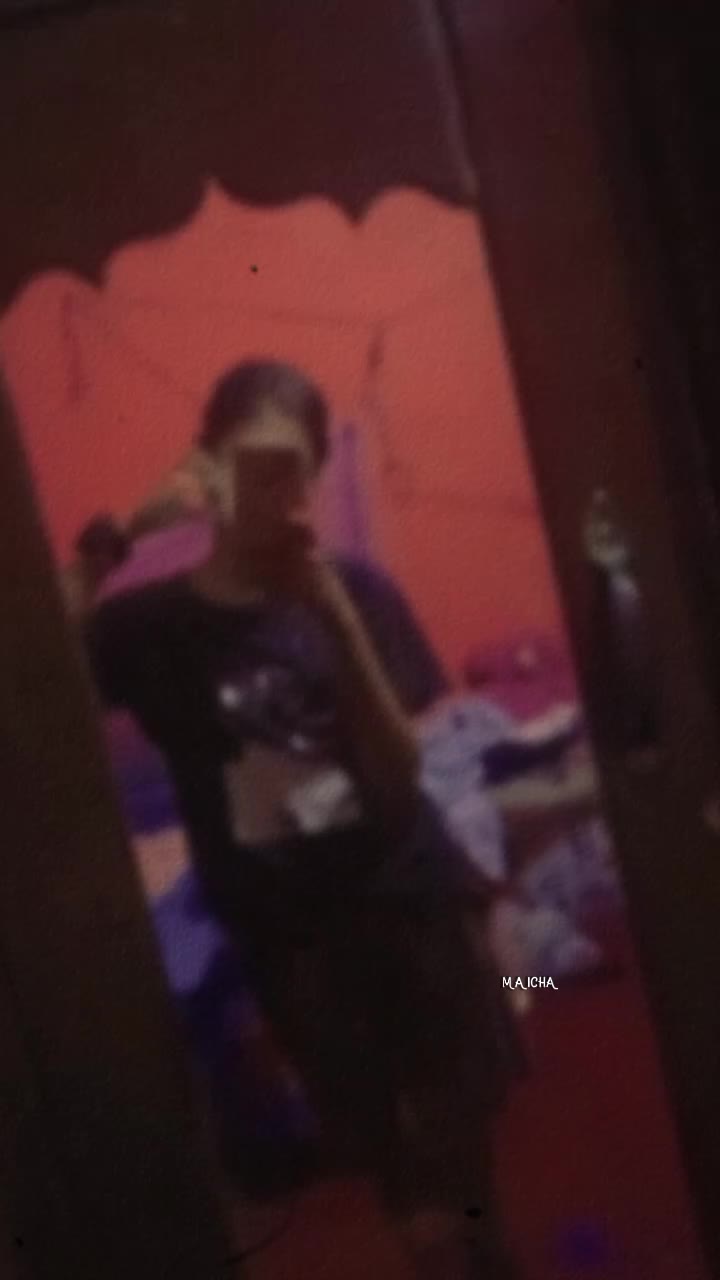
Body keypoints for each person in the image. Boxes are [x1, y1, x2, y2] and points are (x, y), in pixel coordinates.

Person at [67, 359, 525, 1279]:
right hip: (291, 938)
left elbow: (400, 775)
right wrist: (114, 541)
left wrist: (337, 619)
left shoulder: (356, 588)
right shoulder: (149, 627)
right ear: (206, 464)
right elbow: (28, 675)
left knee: (460, 1136)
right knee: (379, 1147)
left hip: (409, 900)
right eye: (253, 464)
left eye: (295, 470)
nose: (273, 493)